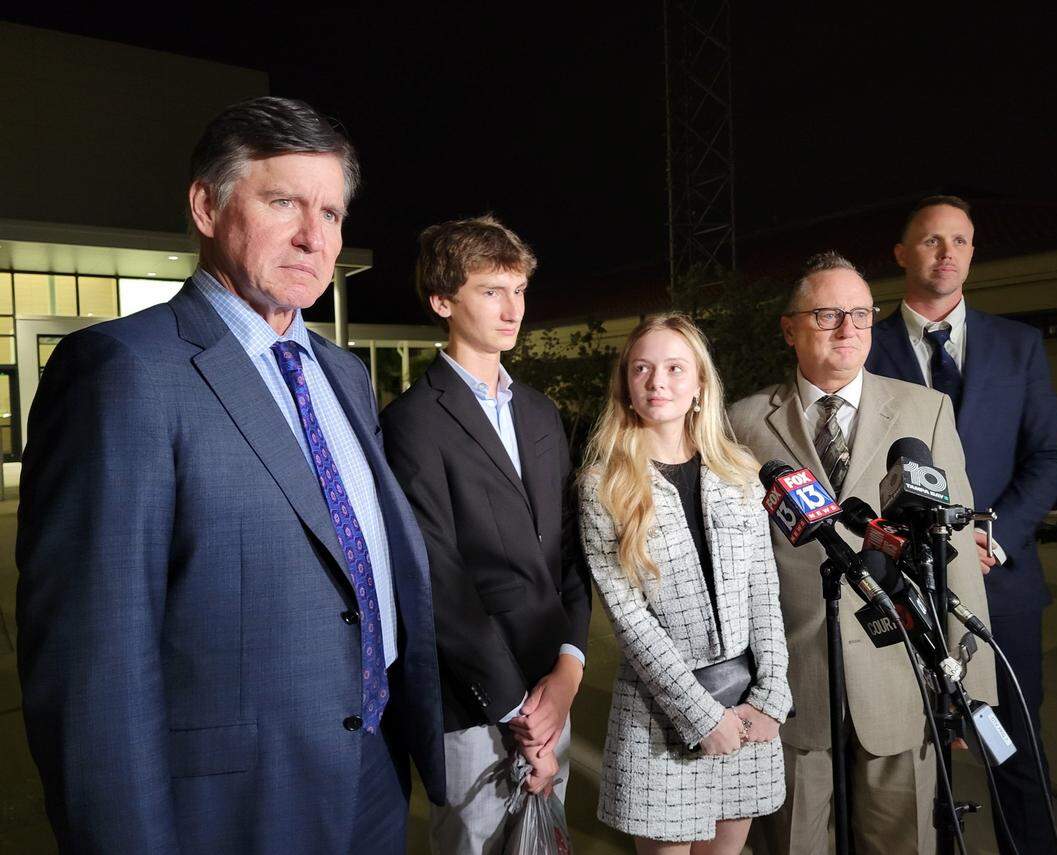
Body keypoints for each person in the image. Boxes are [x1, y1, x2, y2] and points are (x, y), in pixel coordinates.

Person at [16, 96, 444, 854]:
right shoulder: (123, 372)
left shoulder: (342, 373)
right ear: (206, 206)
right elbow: (95, 672)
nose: (316, 238)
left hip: (375, 772)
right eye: (284, 202)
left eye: (333, 213)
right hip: (234, 808)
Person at [729, 251, 997, 855]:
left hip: (899, 678)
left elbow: (952, 549)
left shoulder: (924, 412)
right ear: (790, 328)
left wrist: (967, 685)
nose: (848, 328)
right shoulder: (741, 423)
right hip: (789, 690)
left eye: (860, 313)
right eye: (827, 314)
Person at [379, 215, 591, 855]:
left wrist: (569, 671)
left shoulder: (540, 411)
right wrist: (518, 712)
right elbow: (435, 578)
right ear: (443, 301)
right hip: (474, 703)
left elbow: (569, 549)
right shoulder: (413, 422)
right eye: (492, 291)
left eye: (519, 290)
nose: (513, 308)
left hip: (552, 683)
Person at [866, 195, 1057, 855]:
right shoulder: (866, 346)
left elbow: (1047, 457)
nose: (946, 251)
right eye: (931, 239)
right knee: (915, 763)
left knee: (1014, 750)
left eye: (960, 239)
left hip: (1001, 586)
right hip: (902, 592)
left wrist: (991, 536)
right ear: (902, 254)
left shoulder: (1019, 346)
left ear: (973, 251)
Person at [579, 312, 792, 854]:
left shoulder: (739, 471)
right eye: (642, 369)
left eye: (675, 368)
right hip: (660, 725)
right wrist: (701, 716)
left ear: (700, 384)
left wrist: (772, 697)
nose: (657, 382)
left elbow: (764, 591)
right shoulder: (603, 485)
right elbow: (629, 622)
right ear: (626, 384)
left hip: (745, 715)